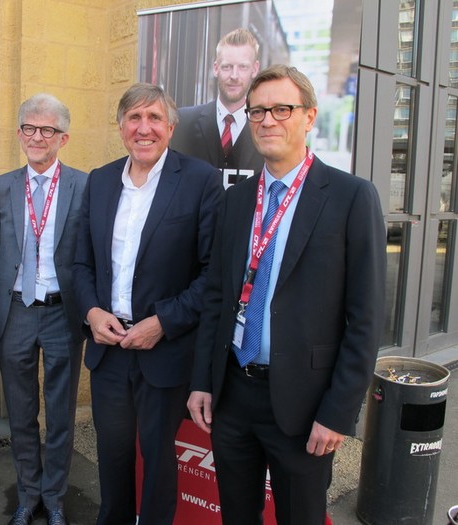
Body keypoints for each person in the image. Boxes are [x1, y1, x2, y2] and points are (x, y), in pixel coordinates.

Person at [187, 65, 387, 525]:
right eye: (258, 111)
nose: (268, 120)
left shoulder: (351, 197)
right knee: (238, 515)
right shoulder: (237, 200)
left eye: (282, 108)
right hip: (233, 395)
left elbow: (366, 319)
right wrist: (202, 380)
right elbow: (217, 298)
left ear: (309, 116)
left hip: (305, 404)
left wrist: (338, 414)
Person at [73, 83, 224, 525]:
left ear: (171, 127)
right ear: (120, 127)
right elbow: (80, 262)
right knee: (113, 458)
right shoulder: (100, 180)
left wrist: (163, 322)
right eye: (134, 118)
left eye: (154, 118)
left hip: (165, 351)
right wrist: (91, 312)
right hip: (109, 350)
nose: (144, 128)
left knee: (159, 464)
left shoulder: (199, 180)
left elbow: (213, 272)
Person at [0, 94, 87, 525]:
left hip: (63, 313)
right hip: (17, 312)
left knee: (60, 413)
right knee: (22, 412)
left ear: (63, 137)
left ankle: (55, 496)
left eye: (47, 130)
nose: (37, 137)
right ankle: (28, 494)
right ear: (19, 133)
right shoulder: (1, 187)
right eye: (30, 128)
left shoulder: (85, 185)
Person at [170, 28, 264, 188]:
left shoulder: (265, 126)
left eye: (243, 67)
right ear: (216, 68)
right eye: (227, 67)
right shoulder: (183, 121)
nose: (234, 76)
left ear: (255, 69)